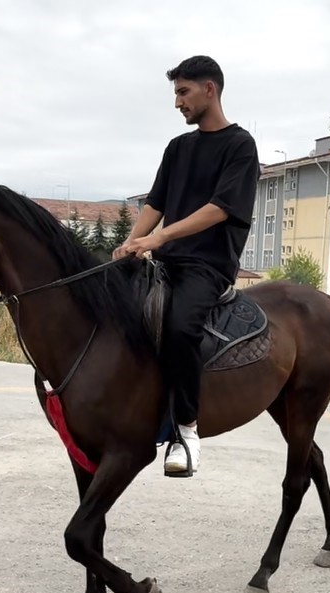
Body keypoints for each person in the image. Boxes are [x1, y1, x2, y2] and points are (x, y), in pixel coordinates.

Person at [114, 55, 260, 476]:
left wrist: (160, 237)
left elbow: (219, 209)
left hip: (207, 266)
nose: (178, 102)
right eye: (176, 93)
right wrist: (130, 244)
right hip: (165, 260)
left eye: (183, 92)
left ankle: (186, 432)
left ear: (209, 89)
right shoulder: (178, 148)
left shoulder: (240, 146)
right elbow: (155, 203)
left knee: (180, 327)